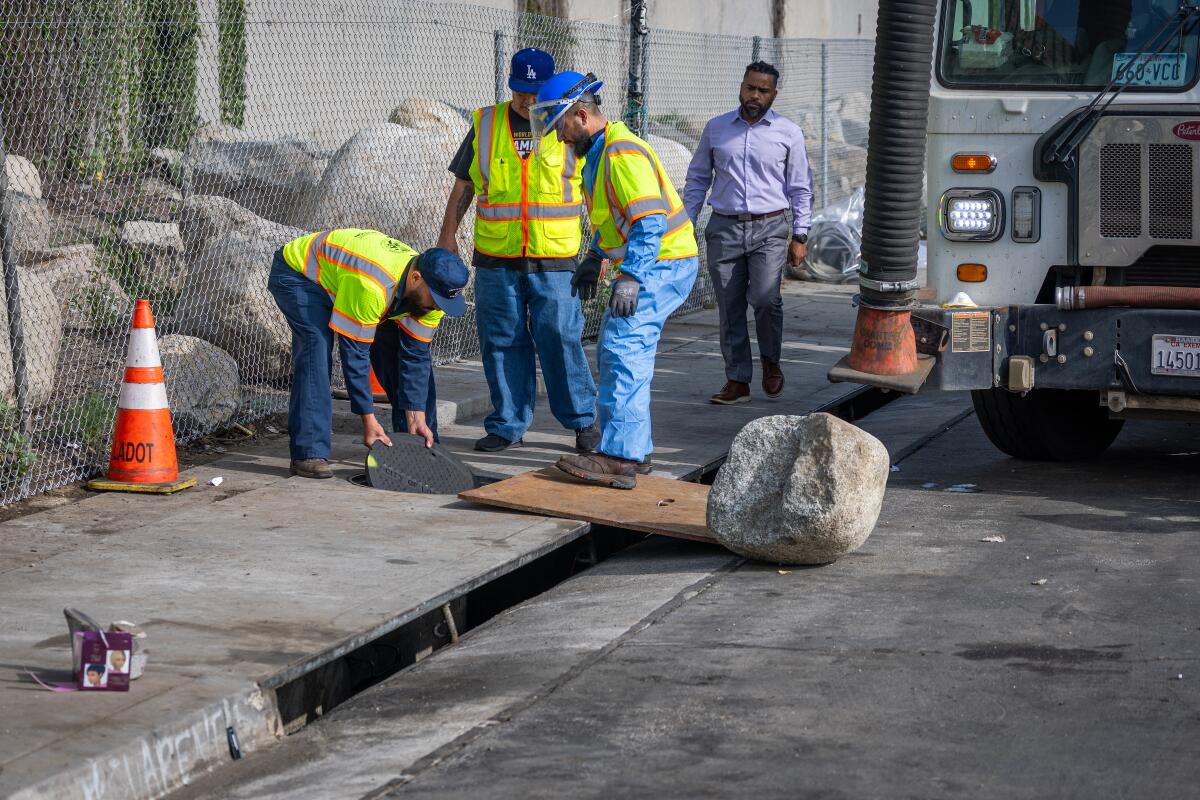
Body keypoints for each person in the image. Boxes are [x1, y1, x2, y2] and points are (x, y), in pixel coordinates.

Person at [531, 71, 699, 489]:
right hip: (656, 262)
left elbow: (649, 221)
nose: (561, 139)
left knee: (624, 349)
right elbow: (616, 220)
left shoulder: (621, 153)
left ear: (583, 115)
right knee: (619, 348)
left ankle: (622, 456)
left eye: (562, 127)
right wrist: (595, 256)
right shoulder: (602, 153)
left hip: (662, 262)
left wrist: (632, 277)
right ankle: (632, 449)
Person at [437, 47, 599, 454]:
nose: (527, 100)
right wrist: (447, 235)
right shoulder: (485, 123)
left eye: (534, 91)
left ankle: (583, 422)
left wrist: (600, 253)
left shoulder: (569, 126)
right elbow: (465, 184)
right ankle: (508, 424)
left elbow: (596, 191)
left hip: (557, 259)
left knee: (561, 337)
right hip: (496, 258)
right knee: (501, 340)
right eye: (520, 91)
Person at [268, 228, 468, 479]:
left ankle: (418, 446)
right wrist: (368, 419)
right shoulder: (372, 285)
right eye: (435, 300)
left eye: (443, 303)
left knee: (400, 355)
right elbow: (355, 356)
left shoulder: (435, 294)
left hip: (352, 283)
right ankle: (308, 452)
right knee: (316, 349)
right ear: (416, 278)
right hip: (301, 276)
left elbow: (415, 358)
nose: (437, 307)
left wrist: (416, 415)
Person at [683, 61, 813, 405]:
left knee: (767, 299)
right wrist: (684, 223)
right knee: (729, 306)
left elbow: (800, 186)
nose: (754, 96)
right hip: (724, 227)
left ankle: (771, 361)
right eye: (750, 88)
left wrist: (800, 234)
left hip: (770, 228)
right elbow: (697, 179)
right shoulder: (716, 129)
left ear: (774, 94)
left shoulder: (788, 133)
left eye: (763, 90)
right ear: (742, 86)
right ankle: (737, 379)